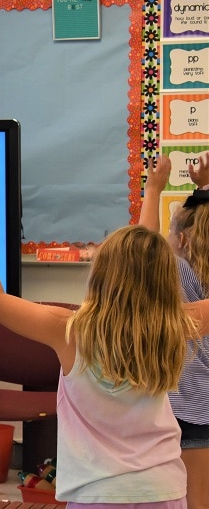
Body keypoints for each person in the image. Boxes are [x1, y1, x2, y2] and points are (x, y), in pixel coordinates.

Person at [0, 192, 209, 507]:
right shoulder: (175, 325)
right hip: (163, 490)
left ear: (101, 275)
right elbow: (144, 261)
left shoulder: (70, 331)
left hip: (96, 494)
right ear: (165, 280)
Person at [139, 152, 209, 509]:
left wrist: (153, 190)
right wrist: (204, 190)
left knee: (191, 500)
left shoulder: (179, 272)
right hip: (199, 409)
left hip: (186, 410)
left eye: (172, 232)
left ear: (182, 240)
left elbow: (144, 250)